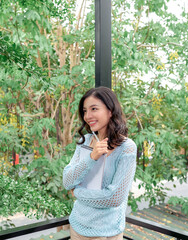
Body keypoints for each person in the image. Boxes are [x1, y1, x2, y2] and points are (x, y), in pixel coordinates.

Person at [63, 87, 137, 240]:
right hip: (77, 226)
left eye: (94, 109)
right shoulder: (85, 141)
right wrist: (92, 157)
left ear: (110, 111)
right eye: (84, 111)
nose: (88, 116)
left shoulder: (126, 147)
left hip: (107, 232)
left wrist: (77, 192)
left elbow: (114, 197)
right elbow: (67, 180)